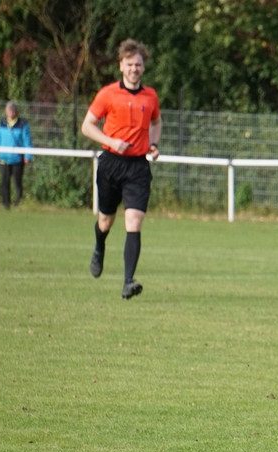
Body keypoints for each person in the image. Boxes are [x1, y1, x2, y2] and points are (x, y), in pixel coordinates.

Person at [81, 38, 162, 299]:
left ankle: (128, 281)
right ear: (121, 66)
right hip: (111, 163)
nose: (134, 68)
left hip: (138, 166)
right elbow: (87, 126)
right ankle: (99, 245)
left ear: (143, 67)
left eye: (138, 64)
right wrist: (110, 141)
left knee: (134, 220)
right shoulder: (107, 94)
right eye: (129, 64)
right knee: (106, 220)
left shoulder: (150, 96)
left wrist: (154, 144)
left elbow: (157, 121)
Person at [0, 101, 34, 209]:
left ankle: (18, 201)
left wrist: (28, 156)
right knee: (4, 182)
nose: (10, 112)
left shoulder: (22, 124)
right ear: (6, 111)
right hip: (4, 158)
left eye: (12, 110)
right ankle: (6, 203)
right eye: (8, 110)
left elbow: (27, 141)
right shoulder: (2, 124)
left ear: (16, 111)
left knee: (17, 181)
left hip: (17, 159)